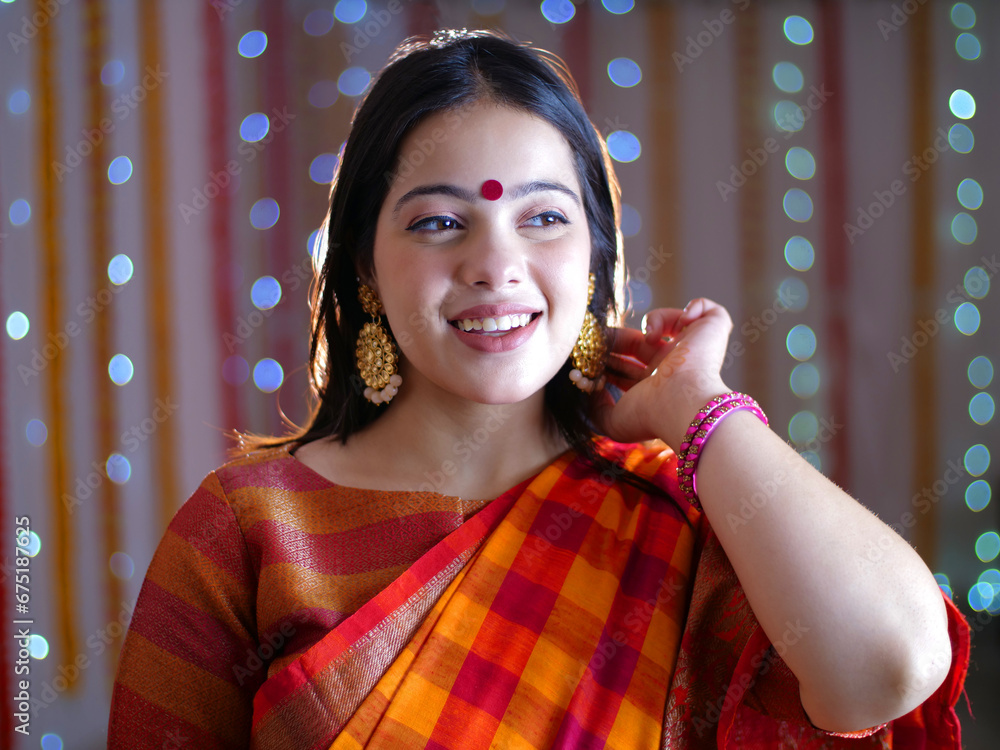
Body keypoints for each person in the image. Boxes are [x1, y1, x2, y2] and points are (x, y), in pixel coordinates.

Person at [107, 29, 968, 749]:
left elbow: (890, 667)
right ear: (365, 263)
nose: (495, 264)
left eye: (544, 217)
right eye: (440, 221)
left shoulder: (682, 514)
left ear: (595, 259)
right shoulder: (249, 530)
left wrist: (697, 406)